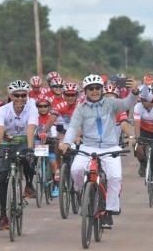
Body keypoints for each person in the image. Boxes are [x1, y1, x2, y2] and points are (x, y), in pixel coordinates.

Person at [59, 74, 140, 228]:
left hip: (110, 147)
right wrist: (67, 142)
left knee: (115, 178)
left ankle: (108, 211)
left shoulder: (111, 103)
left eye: (97, 88)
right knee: (76, 170)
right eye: (91, 89)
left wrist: (135, 92)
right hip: (88, 147)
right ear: (85, 91)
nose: (95, 91)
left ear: (102, 89)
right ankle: (79, 191)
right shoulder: (80, 109)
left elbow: (127, 104)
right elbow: (73, 127)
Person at [0, 80, 38, 231]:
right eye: (16, 95)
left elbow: (30, 129)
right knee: (3, 178)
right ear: (10, 95)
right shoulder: (2, 110)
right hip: (6, 142)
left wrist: (30, 149)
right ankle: (3, 215)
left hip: (24, 140)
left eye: (24, 95)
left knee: (28, 158)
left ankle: (29, 184)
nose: (20, 98)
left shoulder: (32, 109)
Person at [40, 82, 81, 197]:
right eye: (67, 95)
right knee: (58, 143)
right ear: (64, 95)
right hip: (66, 131)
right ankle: (58, 168)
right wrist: (43, 132)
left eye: (73, 95)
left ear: (77, 95)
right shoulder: (59, 106)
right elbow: (51, 119)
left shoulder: (81, 106)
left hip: (80, 131)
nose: (70, 97)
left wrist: (79, 136)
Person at [133, 86, 153, 177]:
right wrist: (138, 139)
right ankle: (143, 164)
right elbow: (137, 124)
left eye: (147, 100)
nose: (145, 102)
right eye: (143, 100)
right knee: (137, 147)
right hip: (143, 130)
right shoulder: (137, 107)